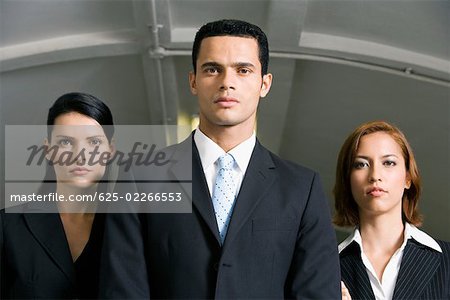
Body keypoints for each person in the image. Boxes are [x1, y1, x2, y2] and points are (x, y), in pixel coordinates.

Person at [100, 19, 340, 298]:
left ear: (265, 83)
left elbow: (317, 293)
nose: (227, 83)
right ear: (193, 81)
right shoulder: (140, 178)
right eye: (212, 69)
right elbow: (123, 289)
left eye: (243, 70)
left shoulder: (301, 188)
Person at [0, 92, 115, 298]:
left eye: (94, 142)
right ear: (48, 150)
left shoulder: (134, 227)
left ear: (110, 151)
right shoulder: (7, 226)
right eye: (65, 142)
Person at [334, 121, 450, 299]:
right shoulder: (328, 267)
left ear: (408, 178)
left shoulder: (447, 260)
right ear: (348, 181)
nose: (375, 176)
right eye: (361, 164)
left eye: (388, 163)